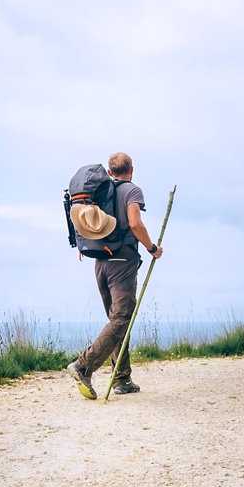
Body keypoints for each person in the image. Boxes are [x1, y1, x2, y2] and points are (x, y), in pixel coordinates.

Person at [66, 152, 163, 399]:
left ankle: (122, 379)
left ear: (109, 173)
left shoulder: (100, 193)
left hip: (99, 262)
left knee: (117, 322)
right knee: (120, 320)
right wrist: (152, 248)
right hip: (122, 261)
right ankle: (83, 366)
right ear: (132, 169)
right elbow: (135, 223)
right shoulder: (132, 191)